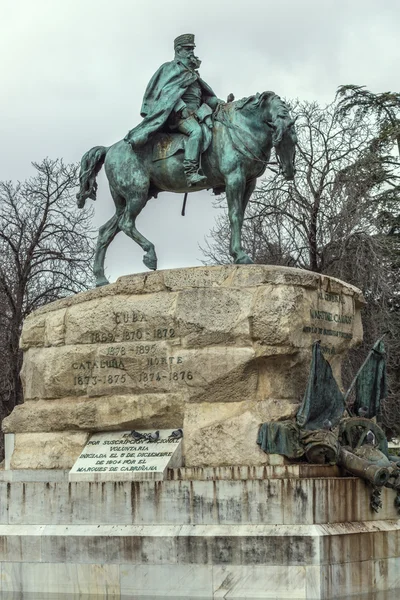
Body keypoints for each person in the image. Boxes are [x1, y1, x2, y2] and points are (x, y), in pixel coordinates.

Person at [124, 34, 222, 186]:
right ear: (178, 50)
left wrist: (219, 103)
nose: (191, 52)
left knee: (218, 131)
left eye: (192, 49)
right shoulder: (169, 68)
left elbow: (203, 97)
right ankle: (191, 173)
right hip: (176, 115)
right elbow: (165, 93)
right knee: (196, 132)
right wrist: (181, 108)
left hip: (196, 114)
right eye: (188, 49)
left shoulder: (192, 73)